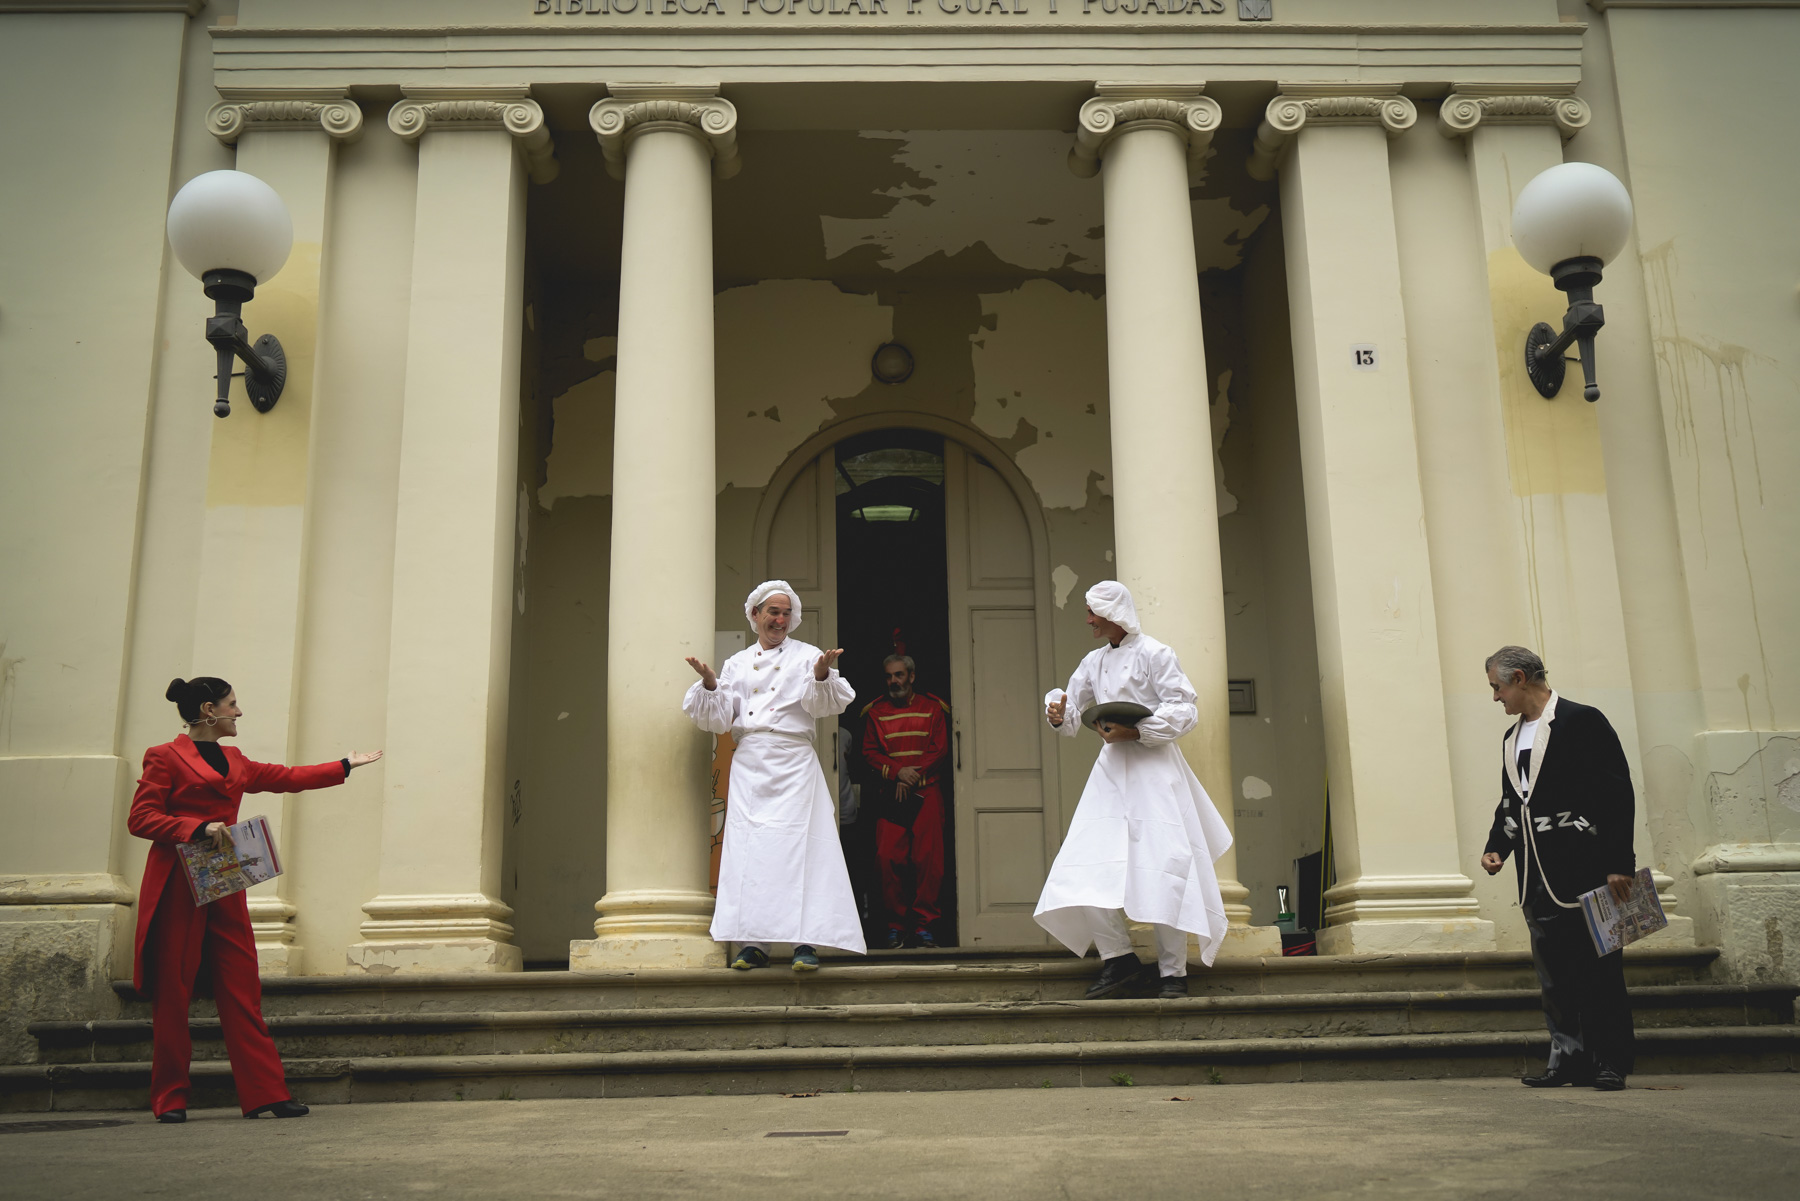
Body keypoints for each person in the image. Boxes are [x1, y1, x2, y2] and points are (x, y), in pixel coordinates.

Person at [131, 677, 382, 1124]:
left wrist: (345, 764)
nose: (239, 713)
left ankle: (265, 1093)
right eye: (232, 705)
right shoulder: (164, 756)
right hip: (176, 884)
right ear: (209, 710)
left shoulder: (236, 760)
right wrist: (195, 827)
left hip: (224, 882)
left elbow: (285, 777)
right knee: (173, 992)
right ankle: (169, 1097)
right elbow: (142, 817)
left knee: (242, 987)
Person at [1034, 582, 1234, 1000]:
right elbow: (1072, 712)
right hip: (1110, 773)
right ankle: (1118, 958)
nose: (1088, 620)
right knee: (1085, 863)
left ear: (1113, 613)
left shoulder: (1155, 653)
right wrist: (1058, 711)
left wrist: (1138, 730)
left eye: (1093, 612)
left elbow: (1184, 708)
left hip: (1156, 772)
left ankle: (1172, 973)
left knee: (1165, 867)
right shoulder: (1093, 661)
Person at [1480, 645, 1638, 1092]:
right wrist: (1498, 846)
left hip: (1587, 871)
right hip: (1536, 877)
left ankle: (1610, 1060)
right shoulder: (1512, 739)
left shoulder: (1582, 720)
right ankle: (1568, 1060)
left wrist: (1618, 864)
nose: (1495, 698)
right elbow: (1513, 801)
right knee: (1556, 977)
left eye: (1496, 687)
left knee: (1601, 972)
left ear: (1520, 679)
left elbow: (1616, 794)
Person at [684, 581, 866, 970]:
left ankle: (806, 944)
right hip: (750, 761)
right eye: (773, 612)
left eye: (786, 613)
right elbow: (719, 716)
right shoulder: (736, 662)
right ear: (755, 615)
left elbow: (824, 706)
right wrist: (712, 684)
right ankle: (754, 943)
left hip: (795, 760)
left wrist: (820, 675)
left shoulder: (808, 656)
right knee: (752, 854)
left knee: (803, 852)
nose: (780, 619)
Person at [860, 654, 951, 949]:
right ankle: (895, 927)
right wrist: (898, 773)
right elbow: (870, 752)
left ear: (912, 676)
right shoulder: (876, 712)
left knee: (929, 862)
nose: (893, 682)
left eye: (899, 675)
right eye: (889, 676)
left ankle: (925, 927)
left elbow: (939, 750)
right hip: (893, 794)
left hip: (926, 793)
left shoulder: (933, 708)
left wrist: (912, 776)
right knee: (887, 860)